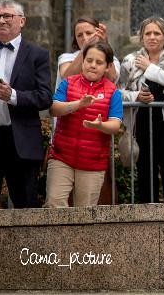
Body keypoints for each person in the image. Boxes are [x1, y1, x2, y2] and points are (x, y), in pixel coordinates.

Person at [46, 41, 123, 207]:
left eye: (99, 62)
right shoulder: (68, 83)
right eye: (89, 60)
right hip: (62, 157)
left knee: (84, 214)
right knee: (54, 204)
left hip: (92, 163)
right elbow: (53, 109)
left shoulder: (113, 92)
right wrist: (78, 104)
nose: (93, 65)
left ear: (108, 66)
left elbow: (115, 125)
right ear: (83, 61)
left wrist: (100, 126)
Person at [119, 17, 164, 203]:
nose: (152, 37)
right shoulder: (130, 60)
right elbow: (118, 91)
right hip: (141, 123)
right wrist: (136, 97)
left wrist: (150, 68)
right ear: (141, 37)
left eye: (157, 33)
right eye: (148, 33)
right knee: (145, 173)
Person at [0, 0, 52, 208]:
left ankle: (27, 244)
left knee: (26, 207)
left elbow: (45, 96)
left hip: (20, 140)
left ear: (22, 21)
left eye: (7, 16)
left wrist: (13, 95)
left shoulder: (37, 54)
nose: (1, 20)